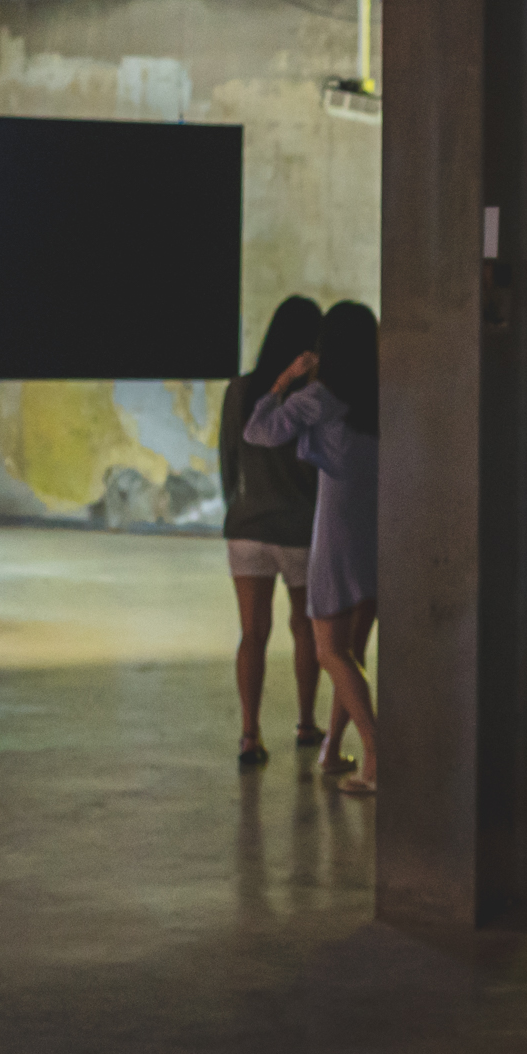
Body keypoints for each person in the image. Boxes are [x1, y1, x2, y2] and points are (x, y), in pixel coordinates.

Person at [244, 300, 379, 796]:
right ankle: (333, 750)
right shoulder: (379, 396)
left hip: (337, 528)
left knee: (329, 650)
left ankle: (376, 754)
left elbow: (258, 431)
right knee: (351, 651)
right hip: (375, 527)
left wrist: (284, 380)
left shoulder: (318, 397)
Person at [221, 297, 323, 769]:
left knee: (252, 633)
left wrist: (237, 507)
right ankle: (305, 724)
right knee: (304, 629)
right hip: (299, 528)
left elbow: (229, 459)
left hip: (247, 528)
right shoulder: (313, 396)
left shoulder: (240, 390)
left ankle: (249, 733)